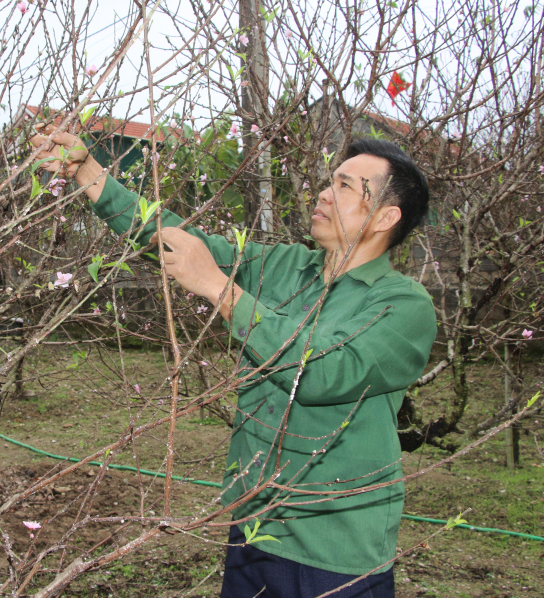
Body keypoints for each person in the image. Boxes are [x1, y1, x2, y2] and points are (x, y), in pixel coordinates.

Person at [30, 122, 436, 598]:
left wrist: (218, 288)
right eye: (330, 181)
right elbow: (179, 238)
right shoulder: (287, 267)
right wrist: (88, 171)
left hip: (335, 550)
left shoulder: (403, 305)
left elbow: (323, 374)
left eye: (344, 186)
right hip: (253, 525)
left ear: (387, 217)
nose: (324, 194)